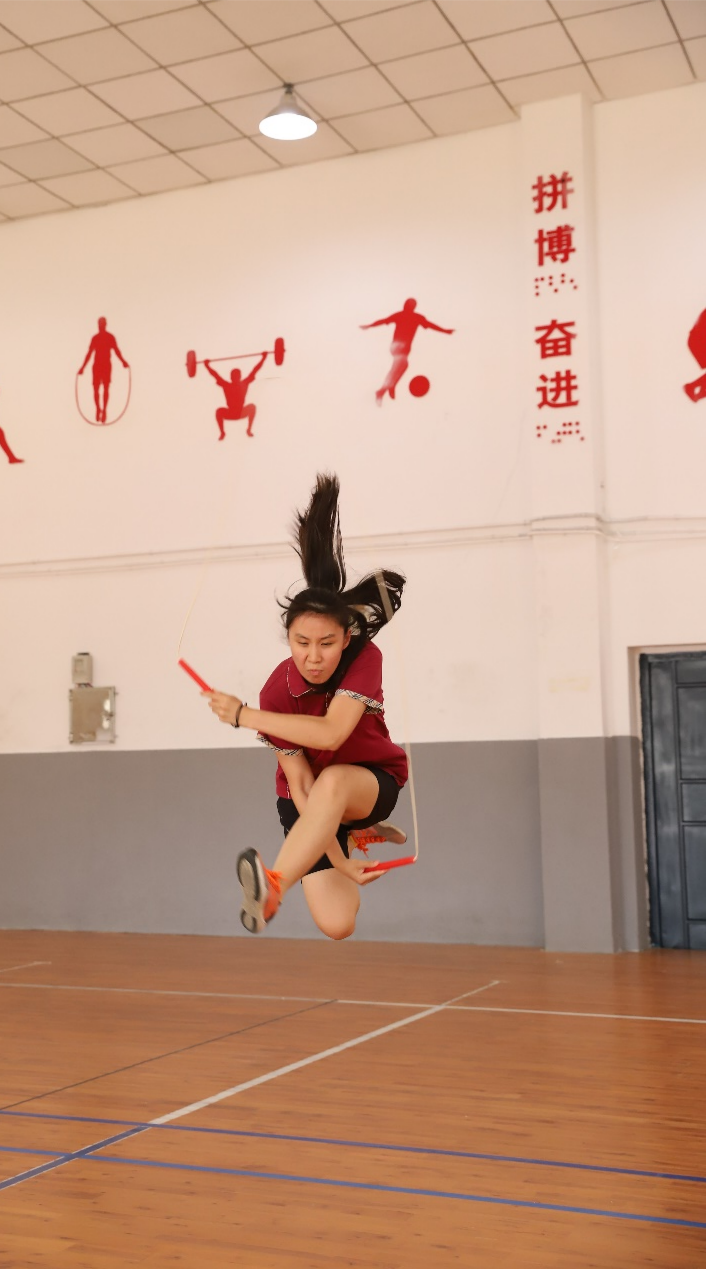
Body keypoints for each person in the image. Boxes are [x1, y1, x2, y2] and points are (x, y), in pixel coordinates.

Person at [204, 473, 408, 939]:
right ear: (289, 638)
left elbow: (334, 733)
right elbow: (299, 783)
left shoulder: (364, 659)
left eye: (326, 643)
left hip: (369, 783)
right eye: (302, 642)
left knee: (334, 781)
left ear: (345, 639)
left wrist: (243, 716)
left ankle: (273, 885)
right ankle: (352, 834)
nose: (314, 657)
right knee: (338, 925)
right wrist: (338, 855)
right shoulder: (276, 691)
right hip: (309, 799)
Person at [361, 297, 453, 404]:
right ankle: (381, 391)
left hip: (397, 346)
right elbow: (430, 325)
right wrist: (445, 331)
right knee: (397, 367)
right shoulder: (414, 317)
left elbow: (383, 321)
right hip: (400, 346)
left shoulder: (405, 315)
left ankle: (391, 386)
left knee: (403, 365)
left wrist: (370, 325)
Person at [203, 352, 267, 439]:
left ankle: (249, 429)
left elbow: (255, 370)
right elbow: (215, 375)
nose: (235, 378)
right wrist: (207, 366)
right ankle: (222, 432)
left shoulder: (243, 384)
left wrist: (263, 358)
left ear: (239, 376)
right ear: (231, 377)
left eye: (237, 376)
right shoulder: (228, 385)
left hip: (241, 412)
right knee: (219, 411)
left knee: (252, 407)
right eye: (234, 376)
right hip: (231, 413)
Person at [78, 317, 130, 423]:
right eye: (100, 324)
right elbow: (89, 353)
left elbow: (116, 350)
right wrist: (82, 367)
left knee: (106, 388)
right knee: (96, 389)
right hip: (97, 365)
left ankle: (104, 410)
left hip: (106, 365)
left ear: (105, 325)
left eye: (102, 324)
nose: (101, 326)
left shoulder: (110, 337)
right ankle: (98, 409)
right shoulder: (95, 338)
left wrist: (123, 361)